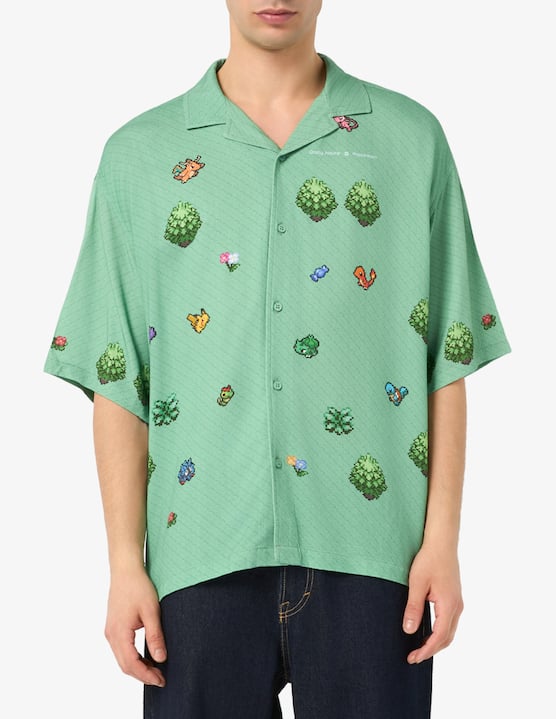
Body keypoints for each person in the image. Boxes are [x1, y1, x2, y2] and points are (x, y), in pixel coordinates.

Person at [43, 2, 511, 717]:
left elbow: (446, 356)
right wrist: (124, 564)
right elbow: (119, 376)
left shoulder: (410, 140)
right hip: (199, 558)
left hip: (374, 556)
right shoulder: (140, 156)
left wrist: (442, 541)